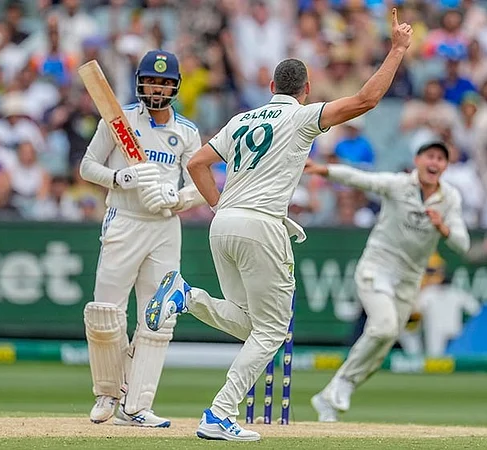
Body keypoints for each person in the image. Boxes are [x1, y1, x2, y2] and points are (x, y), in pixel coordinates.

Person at [143, 8, 414, 442]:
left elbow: (196, 163)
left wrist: (219, 206)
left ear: (271, 88)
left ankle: (186, 296)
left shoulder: (242, 119)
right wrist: (398, 49)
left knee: (250, 325)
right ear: (305, 91)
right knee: (272, 330)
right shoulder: (302, 117)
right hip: (262, 225)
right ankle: (219, 413)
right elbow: (366, 100)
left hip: (225, 224)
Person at [79, 49, 206, 427]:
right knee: (106, 311)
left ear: (176, 87)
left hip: (165, 227)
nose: (157, 88)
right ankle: (107, 393)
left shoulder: (186, 131)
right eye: (152, 80)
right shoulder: (119, 121)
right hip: (124, 220)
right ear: (140, 82)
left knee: (158, 316)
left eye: (165, 83)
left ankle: (136, 406)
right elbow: (88, 166)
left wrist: (178, 198)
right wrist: (119, 178)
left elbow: (200, 180)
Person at [303, 140, 469, 422]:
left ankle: (330, 396)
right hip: (377, 267)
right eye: (430, 156)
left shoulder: (449, 198)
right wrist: (323, 170)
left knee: (386, 340)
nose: (435, 163)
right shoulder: (398, 185)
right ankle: (341, 385)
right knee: (383, 327)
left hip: (409, 279)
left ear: (445, 166)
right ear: (417, 160)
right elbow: (361, 179)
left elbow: (462, 244)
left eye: (441, 159)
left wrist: (444, 227)